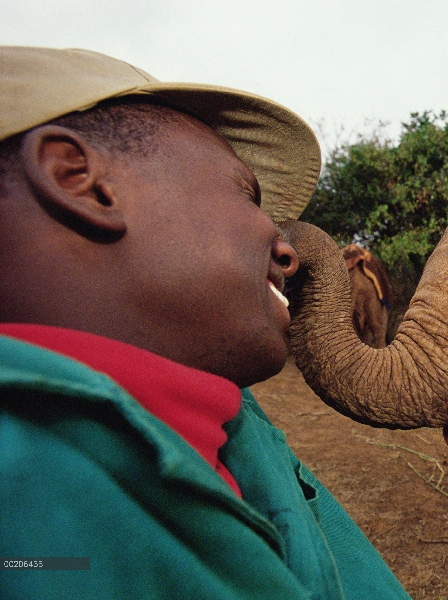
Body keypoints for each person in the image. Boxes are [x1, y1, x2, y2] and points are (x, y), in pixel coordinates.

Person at [0, 46, 411, 599]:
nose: (288, 251)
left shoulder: (222, 423)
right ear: (83, 181)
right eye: (247, 194)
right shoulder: (30, 507)